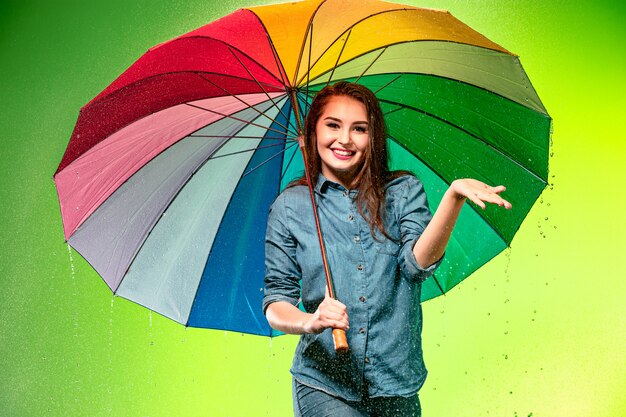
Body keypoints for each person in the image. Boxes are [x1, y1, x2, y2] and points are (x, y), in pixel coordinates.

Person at [263, 81, 511, 417]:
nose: (345, 139)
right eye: (332, 125)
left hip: (397, 383)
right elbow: (276, 301)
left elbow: (416, 265)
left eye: (359, 129)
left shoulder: (403, 191)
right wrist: (311, 321)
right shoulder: (290, 207)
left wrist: (453, 198)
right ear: (313, 131)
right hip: (324, 385)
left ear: (373, 136)